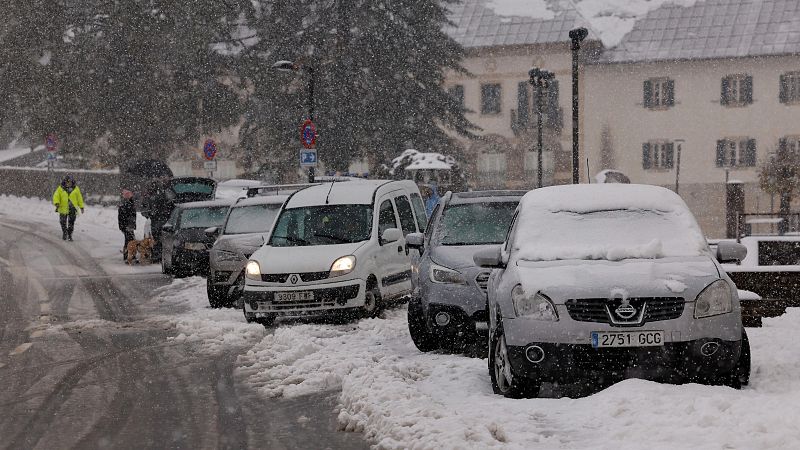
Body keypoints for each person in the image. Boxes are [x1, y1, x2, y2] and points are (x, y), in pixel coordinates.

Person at [142, 177, 175, 261]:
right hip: (159, 219)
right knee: (159, 238)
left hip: (160, 219)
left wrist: (151, 213)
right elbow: (145, 209)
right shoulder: (162, 194)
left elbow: (145, 208)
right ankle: (158, 255)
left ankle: (158, 255)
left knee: (158, 238)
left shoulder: (160, 195)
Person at [53, 175, 85, 241]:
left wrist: (81, 207)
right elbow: (56, 196)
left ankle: (69, 235)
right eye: (67, 182)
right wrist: (56, 203)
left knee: (71, 222)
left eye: (70, 182)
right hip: (62, 208)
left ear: (72, 182)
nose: (68, 184)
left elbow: (79, 198)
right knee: (62, 222)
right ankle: (65, 233)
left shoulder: (76, 189)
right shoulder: (60, 188)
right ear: (65, 182)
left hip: (72, 208)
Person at [118, 189, 137, 261]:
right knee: (130, 241)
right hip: (127, 225)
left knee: (129, 241)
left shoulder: (128, 204)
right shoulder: (126, 204)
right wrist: (124, 226)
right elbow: (123, 216)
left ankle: (128, 255)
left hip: (128, 225)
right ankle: (129, 256)